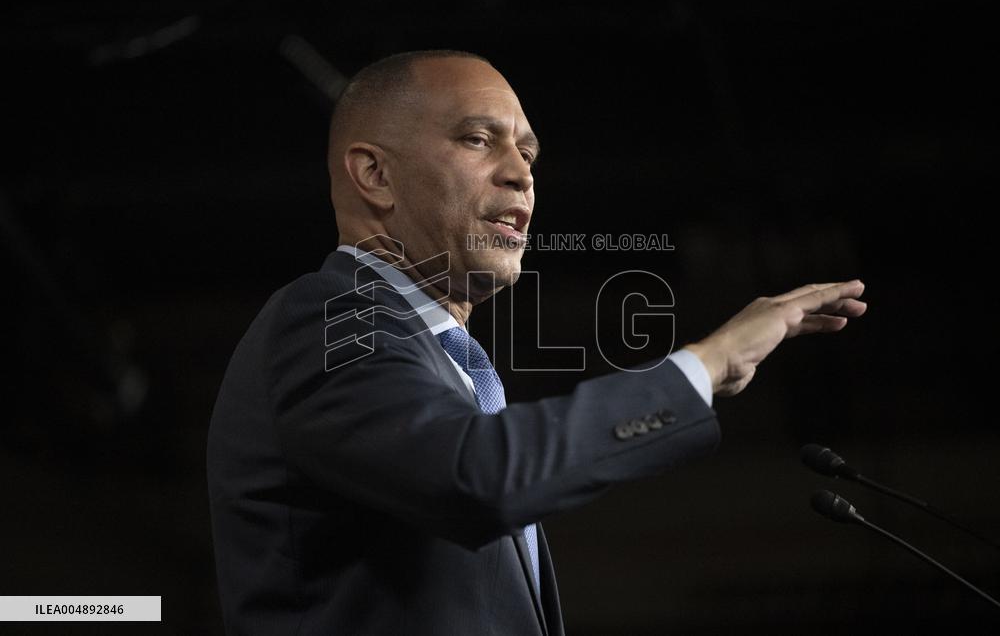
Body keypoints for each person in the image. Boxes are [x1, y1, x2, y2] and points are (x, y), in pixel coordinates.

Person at [206, 49, 867, 635]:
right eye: (478, 140)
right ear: (374, 175)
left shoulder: (440, 363)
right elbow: (478, 476)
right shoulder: (326, 316)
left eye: (528, 153)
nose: (521, 173)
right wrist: (706, 364)